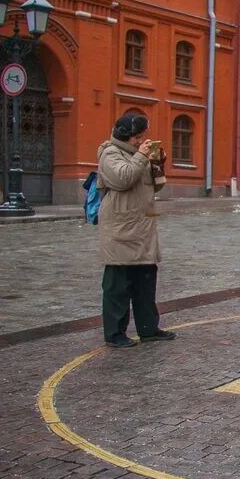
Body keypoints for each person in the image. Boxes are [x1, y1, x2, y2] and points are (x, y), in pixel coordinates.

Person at [97, 112, 175, 348]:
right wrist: (141, 156)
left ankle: (148, 328)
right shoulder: (109, 152)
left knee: (145, 281)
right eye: (137, 137)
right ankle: (115, 333)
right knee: (118, 285)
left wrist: (157, 164)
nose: (142, 141)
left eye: (143, 136)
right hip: (120, 228)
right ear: (125, 136)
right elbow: (122, 179)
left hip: (142, 226)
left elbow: (155, 187)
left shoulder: (136, 154)